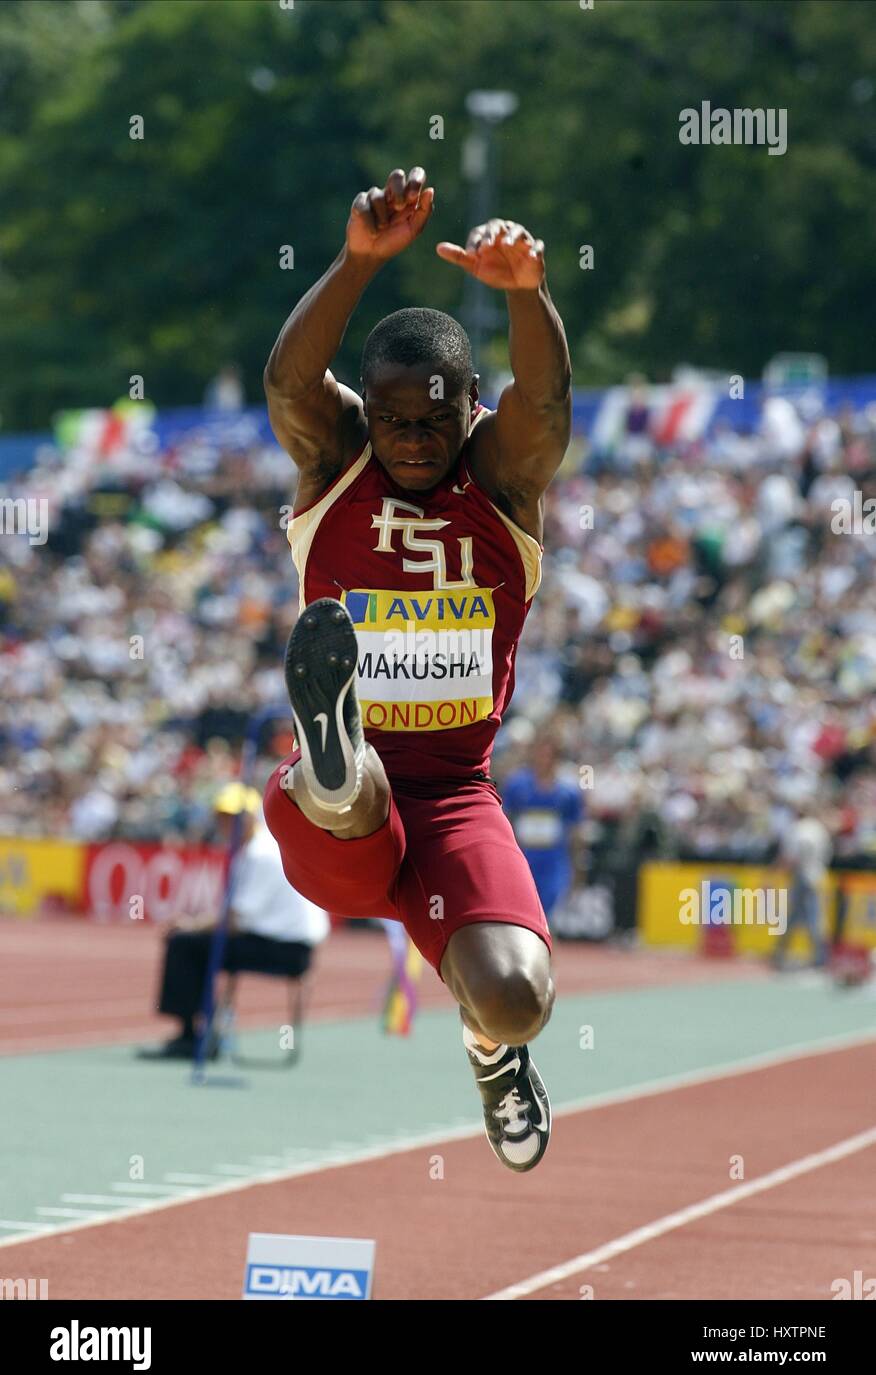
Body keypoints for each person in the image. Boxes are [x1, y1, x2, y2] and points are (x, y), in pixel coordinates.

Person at [261, 165, 571, 1171]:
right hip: (335, 820)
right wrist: (356, 263)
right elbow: (287, 383)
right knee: (354, 795)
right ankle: (337, 754)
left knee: (519, 998)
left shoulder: (505, 478)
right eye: (391, 416)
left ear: (474, 406)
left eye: (434, 418)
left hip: (453, 802)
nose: (408, 437)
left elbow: (550, 395)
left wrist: (527, 295)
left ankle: (490, 1054)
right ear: (366, 407)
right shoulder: (334, 457)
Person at [137, 782, 329, 1060]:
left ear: (250, 817)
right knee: (192, 944)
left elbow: (237, 919)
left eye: (232, 818)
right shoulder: (260, 849)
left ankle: (194, 1036)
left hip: (285, 949)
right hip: (285, 944)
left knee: (184, 944)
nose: (226, 824)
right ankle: (205, 1030)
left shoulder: (261, 854)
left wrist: (190, 925)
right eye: (223, 817)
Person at [501, 737, 584, 923]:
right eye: (541, 754)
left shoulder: (569, 791)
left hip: (554, 860)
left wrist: (578, 863)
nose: (544, 760)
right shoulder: (517, 784)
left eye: (550, 755)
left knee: (547, 911)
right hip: (523, 856)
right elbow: (505, 819)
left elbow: (576, 829)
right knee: (523, 912)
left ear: (557, 758)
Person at [772, 805, 833, 971]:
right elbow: (828, 854)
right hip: (819, 874)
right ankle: (816, 956)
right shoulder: (819, 828)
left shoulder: (796, 829)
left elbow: (790, 856)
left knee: (805, 916)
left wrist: (775, 874)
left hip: (802, 875)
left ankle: (785, 953)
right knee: (812, 916)